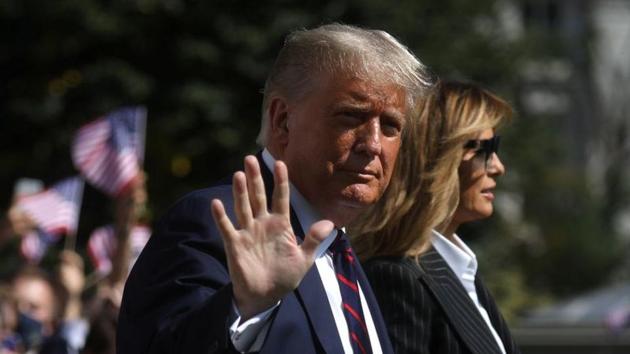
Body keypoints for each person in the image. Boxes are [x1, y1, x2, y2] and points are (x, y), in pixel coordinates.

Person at [117, 23, 432, 354]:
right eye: (352, 116)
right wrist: (244, 309)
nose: (373, 144)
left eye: (391, 126)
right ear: (283, 120)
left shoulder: (340, 252)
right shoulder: (216, 221)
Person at [351, 81, 520, 354]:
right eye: (485, 151)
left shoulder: (461, 271)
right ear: (440, 158)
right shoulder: (396, 278)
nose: (498, 167)